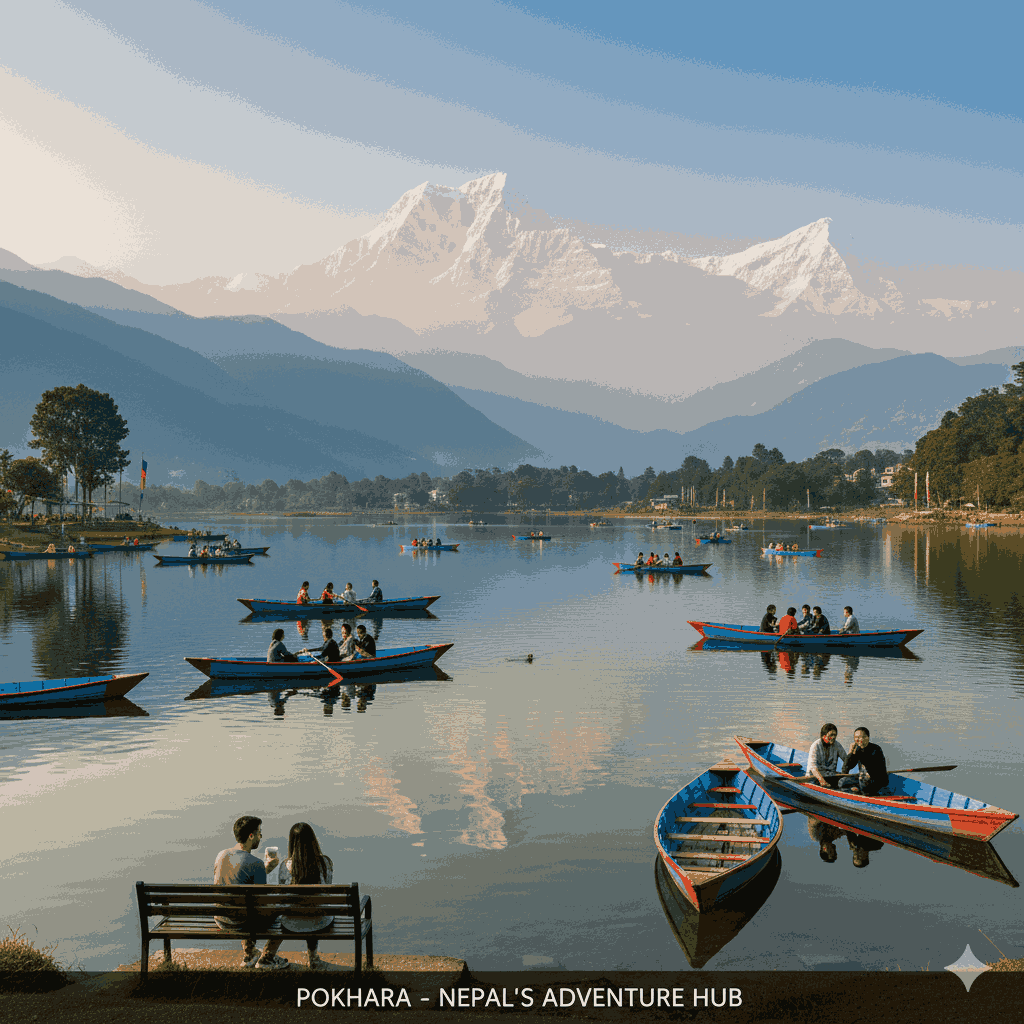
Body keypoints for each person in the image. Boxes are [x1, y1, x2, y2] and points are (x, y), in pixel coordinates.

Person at [212, 815, 289, 970]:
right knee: (284, 912)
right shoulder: (256, 863)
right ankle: (267, 957)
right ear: (251, 836)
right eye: (259, 833)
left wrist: (264, 869)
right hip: (241, 922)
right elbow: (261, 902)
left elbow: (237, 880)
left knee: (244, 903)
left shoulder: (221, 855)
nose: (261, 836)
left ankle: (250, 953)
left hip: (221, 919)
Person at [275, 822, 334, 970]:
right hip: (320, 921)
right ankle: (313, 957)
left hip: (291, 922)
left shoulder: (285, 865)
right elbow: (327, 889)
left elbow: (283, 893)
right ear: (313, 840)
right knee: (315, 909)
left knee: (304, 909)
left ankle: (267, 954)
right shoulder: (325, 862)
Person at [839, 727, 890, 795]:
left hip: (876, 780)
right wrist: (851, 753)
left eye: (860, 737)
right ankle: (857, 789)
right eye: (856, 737)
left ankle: (858, 790)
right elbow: (848, 766)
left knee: (863, 784)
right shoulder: (858, 749)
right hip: (863, 779)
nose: (857, 739)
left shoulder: (876, 749)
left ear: (867, 738)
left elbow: (872, 769)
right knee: (841, 782)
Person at [808, 722, 845, 787]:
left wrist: (852, 753)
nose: (833, 737)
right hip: (815, 777)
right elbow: (813, 767)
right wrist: (822, 781)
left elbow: (846, 759)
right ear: (823, 736)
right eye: (831, 735)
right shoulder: (816, 746)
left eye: (835, 735)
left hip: (830, 776)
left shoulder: (837, 745)